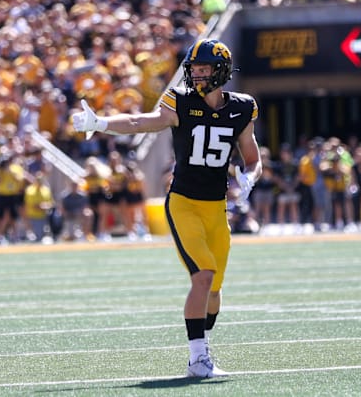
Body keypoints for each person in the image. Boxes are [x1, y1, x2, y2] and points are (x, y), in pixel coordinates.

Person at [73, 39, 262, 378]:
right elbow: (139, 122)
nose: (197, 75)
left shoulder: (242, 107)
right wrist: (100, 123)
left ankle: (203, 342)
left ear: (220, 71)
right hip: (184, 204)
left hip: (216, 208)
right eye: (195, 69)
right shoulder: (181, 101)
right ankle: (197, 359)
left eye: (203, 69)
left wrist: (250, 176)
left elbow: (251, 156)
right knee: (202, 276)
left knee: (215, 291)